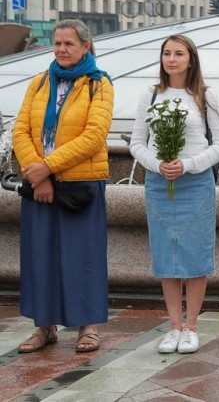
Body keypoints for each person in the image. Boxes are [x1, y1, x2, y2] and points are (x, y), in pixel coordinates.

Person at [13, 19, 114, 354]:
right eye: (57, 43)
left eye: (69, 43)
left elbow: (94, 136)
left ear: (85, 46)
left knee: (82, 257)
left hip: (80, 185)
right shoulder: (40, 82)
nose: (61, 49)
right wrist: (38, 175)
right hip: (40, 184)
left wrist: (49, 168)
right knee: (40, 257)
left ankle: (88, 327)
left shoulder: (98, 85)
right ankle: (44, 326)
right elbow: (21, 130)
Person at [129, 35, 219, 354]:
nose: (171, 59)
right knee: (167, 254)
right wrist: (157, 165)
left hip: (196, 185)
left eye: (178, 53)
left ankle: (192, 327)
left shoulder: (205, 95)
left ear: (191, 59)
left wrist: (188, 165)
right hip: (160, 185)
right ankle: (173, 326)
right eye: (166, 53)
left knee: (196, 254)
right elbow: (136, 143)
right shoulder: (151, 95)